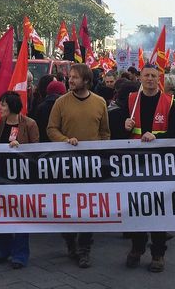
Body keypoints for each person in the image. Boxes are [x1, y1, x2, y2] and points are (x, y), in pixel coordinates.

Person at [123, 65, 175, 272]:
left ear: (159, 79)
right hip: (135, 164)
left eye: (154, 76)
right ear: (140, 78)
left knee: (159, 209)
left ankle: (158, 253)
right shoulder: (130, 100)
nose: (150, 79)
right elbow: (115, 132)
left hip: (161, 165)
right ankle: (137, 247)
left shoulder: (171, 102)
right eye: (146, 75)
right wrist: (123, 125)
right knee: (136, 209)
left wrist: (157, 136)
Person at [47, 63, 110, 268]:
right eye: (70, 77)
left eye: (74, 77)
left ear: (86, 80)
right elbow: (51, 129)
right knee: (68, 206)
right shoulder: (61, 103)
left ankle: (84, 248)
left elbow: (105, 132)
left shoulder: (100, 103)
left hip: (91, 166)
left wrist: (99, 149)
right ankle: (70, 241)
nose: (70, 80)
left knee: (88, 208)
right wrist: (65, 140)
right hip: (66, 165)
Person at [0, 91, 39, 269]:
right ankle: (3, 249)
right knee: (0, 214)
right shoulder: (0, 123)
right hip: (2, 176)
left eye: (3, 105)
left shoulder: (29, 124)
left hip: (22, 177)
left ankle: (20, 254)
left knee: (21, 215)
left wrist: (21, 148)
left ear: (12, 106)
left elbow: (37, 150)